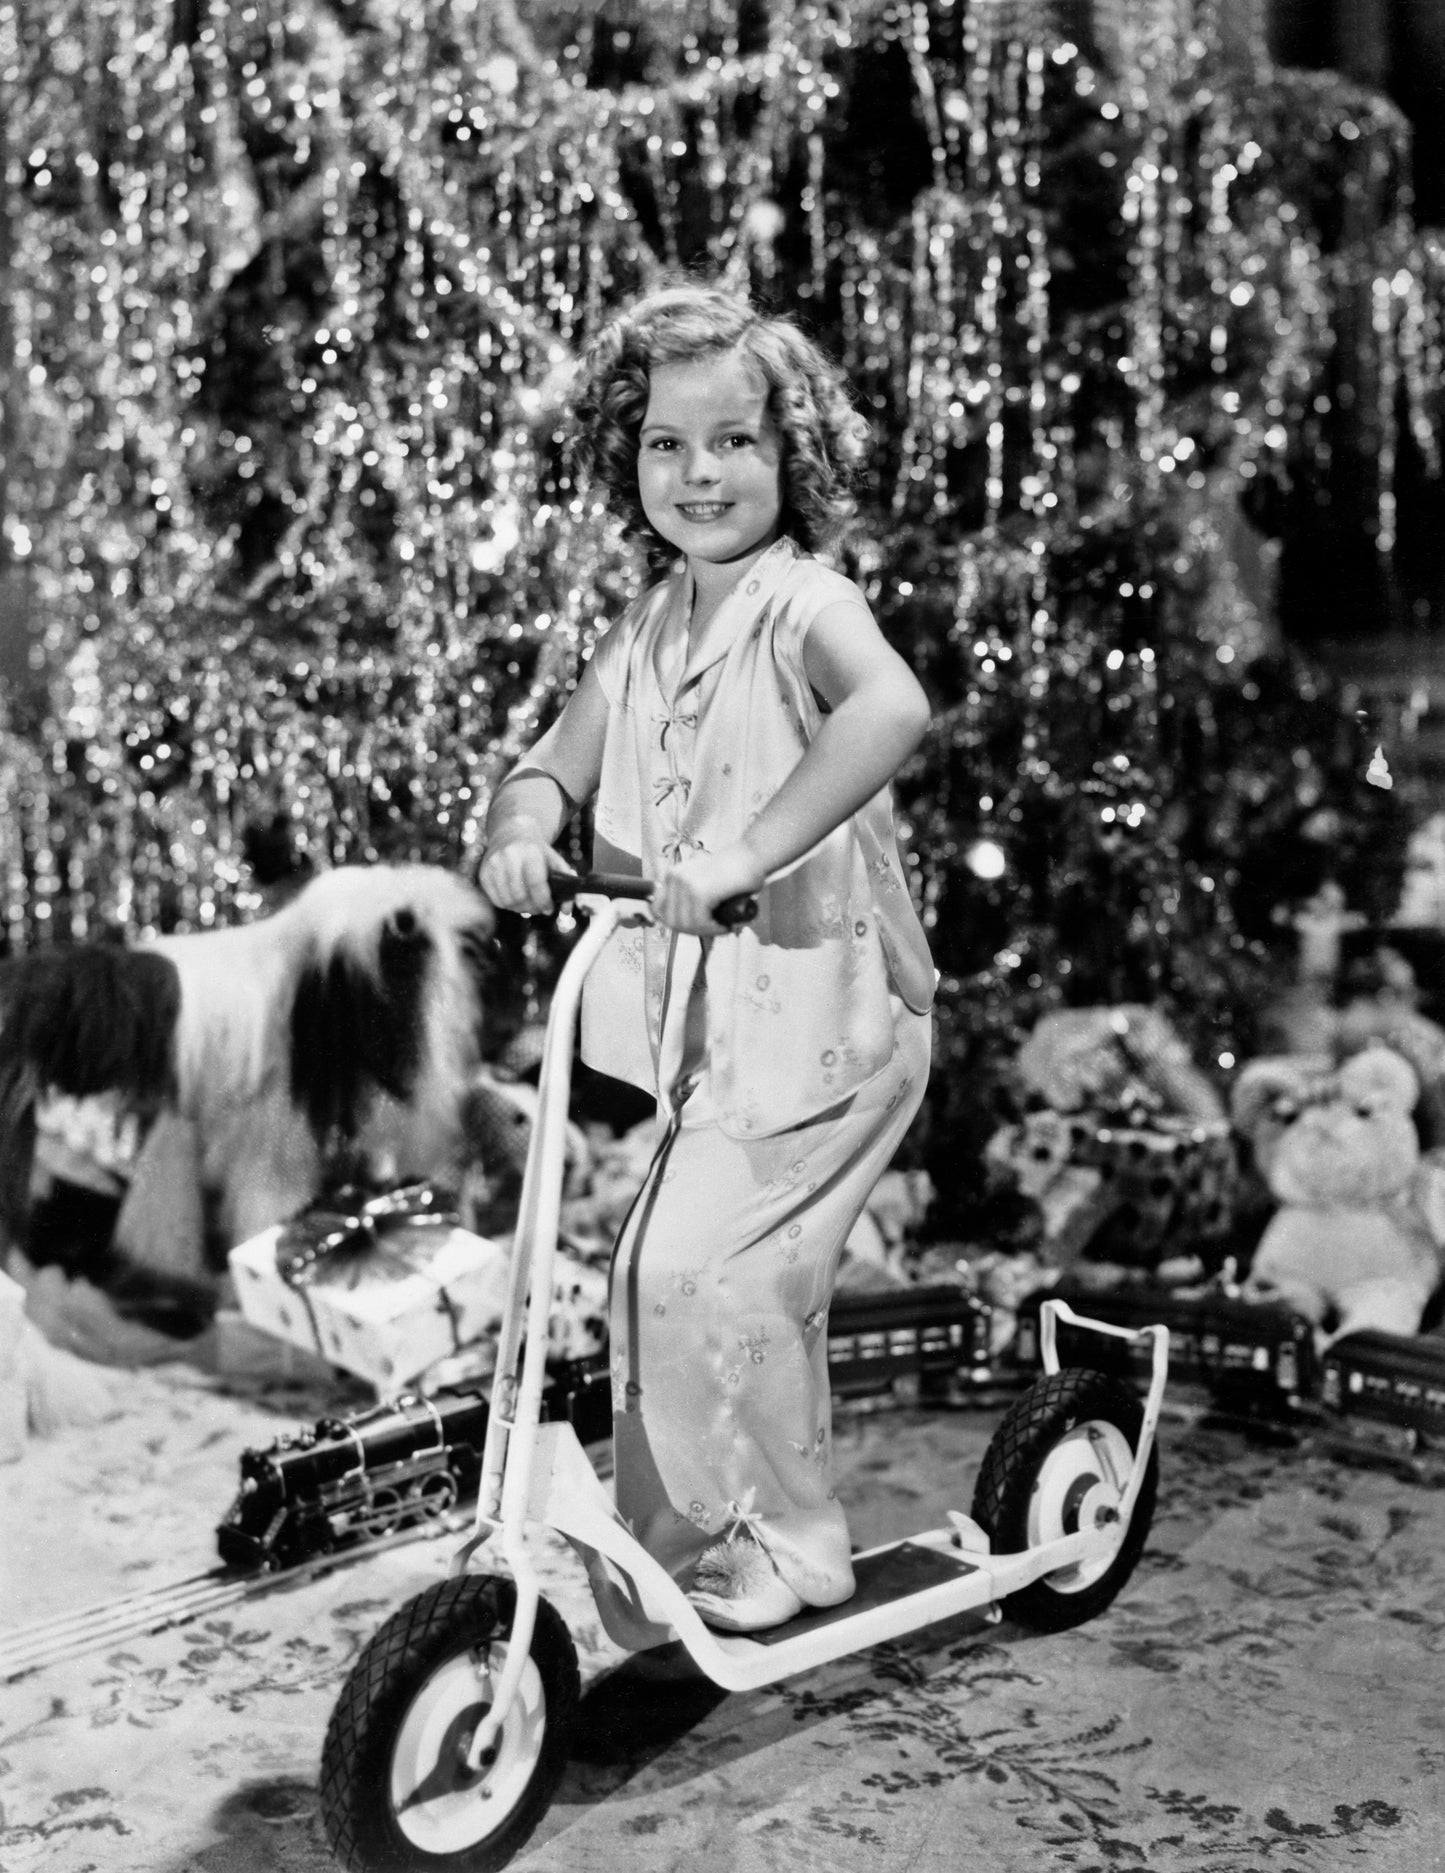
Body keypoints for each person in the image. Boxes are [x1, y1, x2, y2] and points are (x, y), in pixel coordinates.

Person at [479, 283, 934, 1633]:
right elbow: (546, 765)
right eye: (666, 445)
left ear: (792, 455)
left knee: (723, 1275)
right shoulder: (644, 629)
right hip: (721, 1046)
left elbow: (890, 704)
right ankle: (680, 1534)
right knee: (645, 1270)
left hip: (834, 1029)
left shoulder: (803, 605)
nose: (700, 472)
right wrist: (522, 824)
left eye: (734, 440)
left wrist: (743, 850)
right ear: (628, 458)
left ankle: (792, 1546)